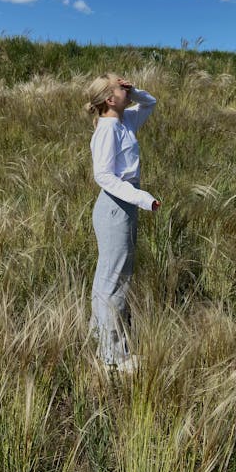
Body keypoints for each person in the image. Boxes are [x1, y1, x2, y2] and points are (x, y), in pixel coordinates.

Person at [85, 73, 161, 373]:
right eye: (121, 85)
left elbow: (150, 103)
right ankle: (113, 358)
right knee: (113, 281)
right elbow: (103, 175)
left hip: (123, 205)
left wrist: (134, 90)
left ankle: (99, 337)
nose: (127, 86)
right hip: (116, 207)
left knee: (109, 277)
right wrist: (142, 198)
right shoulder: (107, 130)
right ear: (109, 99)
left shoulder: (125, 121)